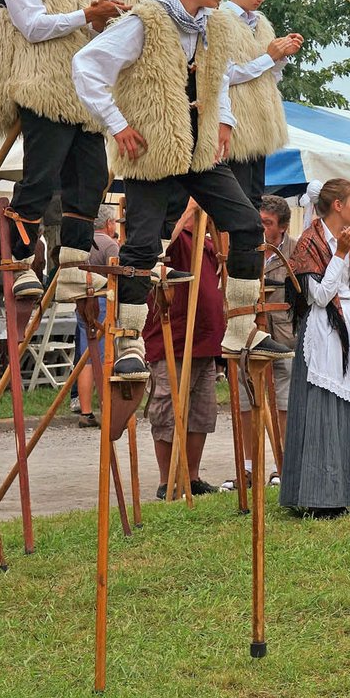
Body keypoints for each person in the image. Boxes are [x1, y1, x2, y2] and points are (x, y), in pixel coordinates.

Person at [71, 0, 289, 394]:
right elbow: (86, 66)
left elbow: (219, 80)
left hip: (199, 149)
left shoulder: (213, 24)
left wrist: (224, 120)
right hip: (153, 149)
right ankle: (128, 342)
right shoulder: (146, 20)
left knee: (248, 223)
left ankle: (238, 329)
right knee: (142, 247)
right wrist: (116, 123)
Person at [0, 0, 122, 303]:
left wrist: (110, 25)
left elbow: (78, 32)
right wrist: (87, 17)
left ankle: (73, 266)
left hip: (80, 93)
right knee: (40, 179)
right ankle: (20, 263)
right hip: (43, 87)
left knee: (91, 180)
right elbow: (32, 26)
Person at [279, 178, 350, 515]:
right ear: (337, 205)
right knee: (322, 412)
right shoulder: (309, 242)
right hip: (323, 331)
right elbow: (319, 297)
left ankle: (348, 491)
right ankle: (317, 495)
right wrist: (339, 256)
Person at [142, 202, 223, 498]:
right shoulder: (170, 233)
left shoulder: (208, 239)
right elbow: (158, 250)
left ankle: (191, 476)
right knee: (167, 409)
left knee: (202, 412)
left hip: (206, 339)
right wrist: (188, 211)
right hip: (172, 338)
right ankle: (168, 481)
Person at [228, 195, 296, 490]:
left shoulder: (294, 251)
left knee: (284, 399)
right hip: (247, 334)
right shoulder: (241, 247)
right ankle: (248, 467)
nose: (261, 228)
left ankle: (284, 465)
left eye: (267, 223)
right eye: (259, 222)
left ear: (282, 227)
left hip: (283, 335)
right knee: (246, 398)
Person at [221, 0, 302, 208]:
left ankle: (252, 246)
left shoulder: (261, 23)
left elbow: (271, 77)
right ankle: (237, 246)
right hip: (237, 121)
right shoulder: (221, 19)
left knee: (255, 197)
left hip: (262, 122)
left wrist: (282, 55)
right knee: (240, 199)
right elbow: (226, 73)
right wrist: (269, 57)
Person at [72, 204, 119, 428]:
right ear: (109, 224)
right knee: (100, 358)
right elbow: (117, 278)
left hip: (82, 300)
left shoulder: (82, 243)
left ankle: (86, 410)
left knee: (86, 356)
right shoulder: (110, 244)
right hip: (101, 300)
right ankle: (105, 408)